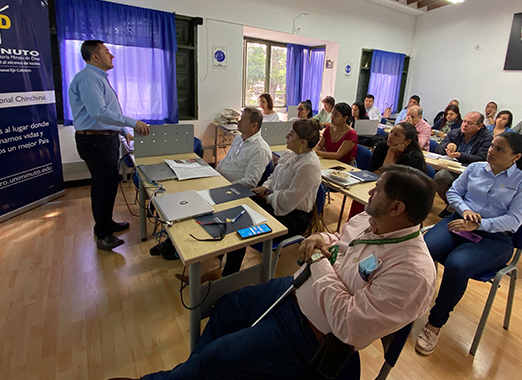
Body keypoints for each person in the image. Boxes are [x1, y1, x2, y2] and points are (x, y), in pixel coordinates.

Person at [129, 165, 437, 380]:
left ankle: (187, 373)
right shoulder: (369, 223)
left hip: (314, 334)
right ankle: (195, 373)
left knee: (215, 359)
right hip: (295, 290)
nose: (369, 194)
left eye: (377, 191)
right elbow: (341, 243)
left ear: (396, 208)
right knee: (223, 310)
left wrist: (318, 262)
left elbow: (349, 327)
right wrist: (321, 239)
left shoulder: (412, 271)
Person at [416, 132, 522, 355]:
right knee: (423, 249)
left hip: (496, 237)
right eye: (492, 146)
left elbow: (514, 219)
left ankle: (435, 324)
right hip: (460, 221)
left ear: (516, 156)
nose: (491, 151)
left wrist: (479, 225)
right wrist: (466, 211)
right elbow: (453, 193)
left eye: (500, 149)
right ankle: (409, 301)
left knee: (457, 265)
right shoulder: (475, 168)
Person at [69, 40, 150, 251]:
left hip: (103, 138)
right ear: (95, 56)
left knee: (104, 185)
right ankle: (103, 234)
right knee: (105, 186)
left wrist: (124, 132)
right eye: (107, 52)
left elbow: (106, 113)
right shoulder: (88, 78)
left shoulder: (98, 78)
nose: (111, 56)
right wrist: (133, 122)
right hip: (95, 141)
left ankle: (106, 224)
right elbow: (98, 112)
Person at [219, 119, 324, 276]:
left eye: (291, 134)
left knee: (242, 226)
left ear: (302, 141)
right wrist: (265, 187)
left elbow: (289, 200)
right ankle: (217, 263)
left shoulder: (309, 166)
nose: (286, 136)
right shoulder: (290, 154)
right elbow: (273, 176)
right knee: (238, 210)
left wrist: (267, 196)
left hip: (292, 216)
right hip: (275, 203)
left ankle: (228, 276)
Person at [434, 112, 494, 217]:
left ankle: (459, 208)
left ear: (479, 126)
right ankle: (452, 205)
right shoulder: (455, 133)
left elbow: (481, 158)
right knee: (440, 176)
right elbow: (437, 149)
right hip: (453, 169)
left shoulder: (487, 138)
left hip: (474, 173)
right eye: (464, 121)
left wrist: (460, 155)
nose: (465, 125)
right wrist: (447, 146)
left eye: (470, 123)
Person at [216, 108, 272, 188]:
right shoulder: (238, 138)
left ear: (254, 125)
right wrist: (215, 175)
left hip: (233, 189)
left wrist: (226, 186)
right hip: (221, 182)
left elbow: (249, 182)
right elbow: (225, 160)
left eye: (243, 120)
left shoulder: (260, 149)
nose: (238, 122)